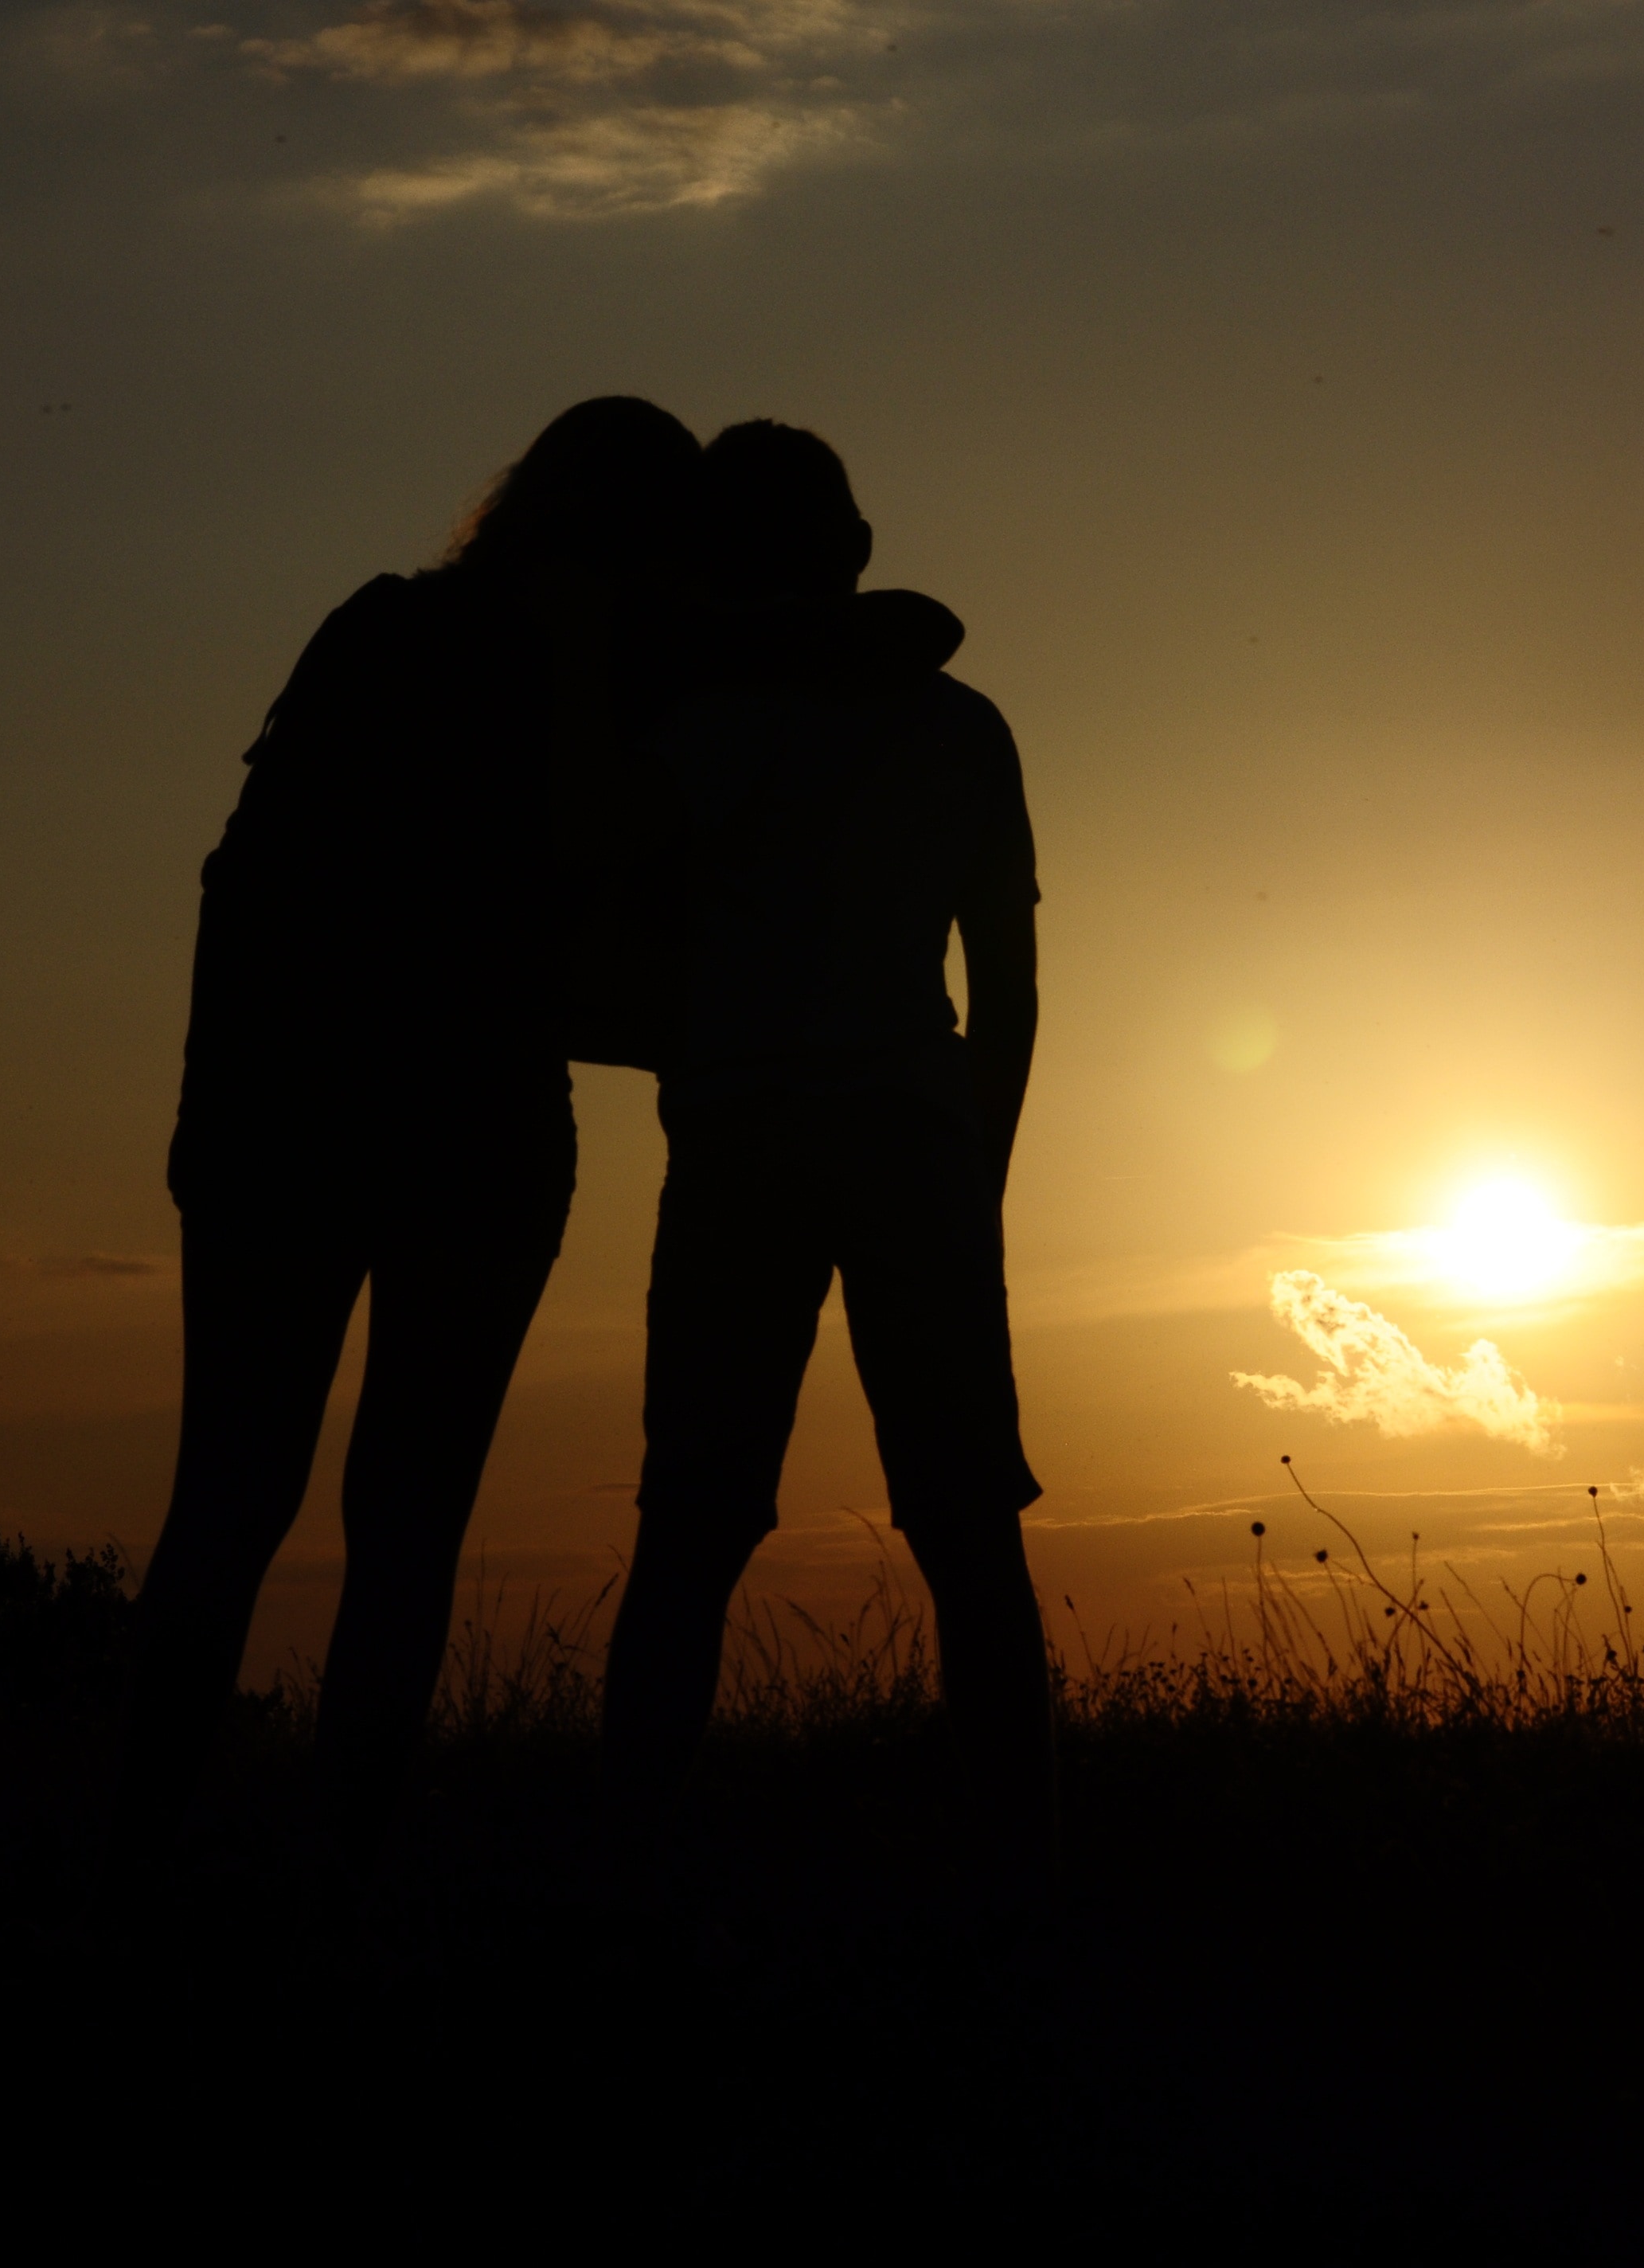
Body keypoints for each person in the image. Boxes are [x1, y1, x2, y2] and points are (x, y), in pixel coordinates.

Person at [115, 397, 705, 1884]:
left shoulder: (408, 636)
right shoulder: (576, 680)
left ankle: (167, 1866)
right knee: (359, 1519)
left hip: (328, 1124)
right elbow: (262, 877)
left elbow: (239, 881)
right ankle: (280, 1877)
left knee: (269, 1507)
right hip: (414, 1130)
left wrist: (211, 1108)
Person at [599, 420, 1055, 1891]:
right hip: (906, 1132)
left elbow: (610, 934)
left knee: (696, 1516)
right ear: (851, 553)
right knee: (965, 1514)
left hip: (746, 1133)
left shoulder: (687, 727)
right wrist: (971, 1160)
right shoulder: (957, 724)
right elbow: (1011, 988)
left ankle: (635, 1866)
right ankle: (1011, 1867)